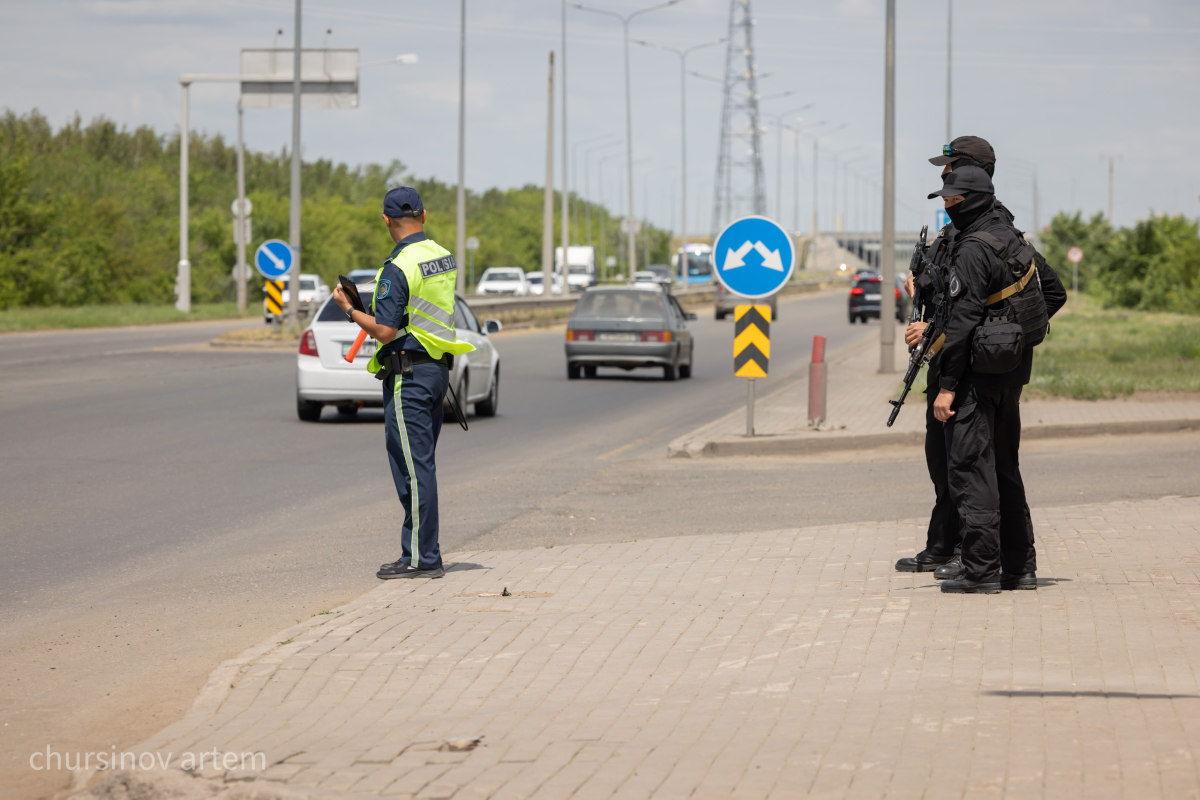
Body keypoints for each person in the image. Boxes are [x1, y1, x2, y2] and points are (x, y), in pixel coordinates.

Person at [925, 165, 1066, 593]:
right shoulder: (1014, 240)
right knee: (1006, 469)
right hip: (1011, 374)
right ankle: (1019, 568)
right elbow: (1054, 292)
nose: (948, 208)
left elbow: (964, 319)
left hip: (973, 380)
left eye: (952, 201)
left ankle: (981, 570)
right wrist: (1010, 334)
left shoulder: (972, 248)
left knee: (971, 470)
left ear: (972, 200)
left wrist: (947, 385)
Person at [333, 187, 474, 580]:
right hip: (435, 372)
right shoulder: (441, 256)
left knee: (413, 469)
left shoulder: (397, 266)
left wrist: (348, 310)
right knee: (421, 465)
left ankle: (421, 558)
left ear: (386, 220)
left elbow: (385, 330)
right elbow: (412, 313)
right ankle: (421, 551)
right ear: (424, 215)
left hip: (408, 377)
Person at [894, 137, 999, 578]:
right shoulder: (954, 230)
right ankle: (942, 544)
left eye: (951, 168)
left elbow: (971, 308)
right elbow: (946, 296)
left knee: (966, 468)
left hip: (964, 366)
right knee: (941, 461)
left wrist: (1000, 340)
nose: (942, 175)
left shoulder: (984, 230)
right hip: (942, 360)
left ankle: (969, 555)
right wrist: (919, 290)